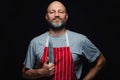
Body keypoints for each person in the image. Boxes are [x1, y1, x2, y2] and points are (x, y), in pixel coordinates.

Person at [22, 1, 106, 80]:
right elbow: (25, 73)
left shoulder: (80, 40)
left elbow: (101, 61)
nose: (57, 15)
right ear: (47, 17)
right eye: (52, 12)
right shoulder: (36, 42)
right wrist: (41, 72)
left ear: (66, 17)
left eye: (61, 12)